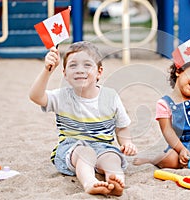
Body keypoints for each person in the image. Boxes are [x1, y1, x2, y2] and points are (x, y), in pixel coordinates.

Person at [29, 41, 137, 196]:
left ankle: (116, 181)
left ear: (99, 72)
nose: (80, 70)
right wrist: (47, 70)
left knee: (112, 157)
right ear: (64, 73)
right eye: (73, 65)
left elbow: (122, 126)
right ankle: (90, 182)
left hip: (102, 147)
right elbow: (35, 96)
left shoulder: (110, 97)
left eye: (87, 65)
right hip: (72, 149)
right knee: (85, 152)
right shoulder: (61, 96)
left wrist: (127, 142)